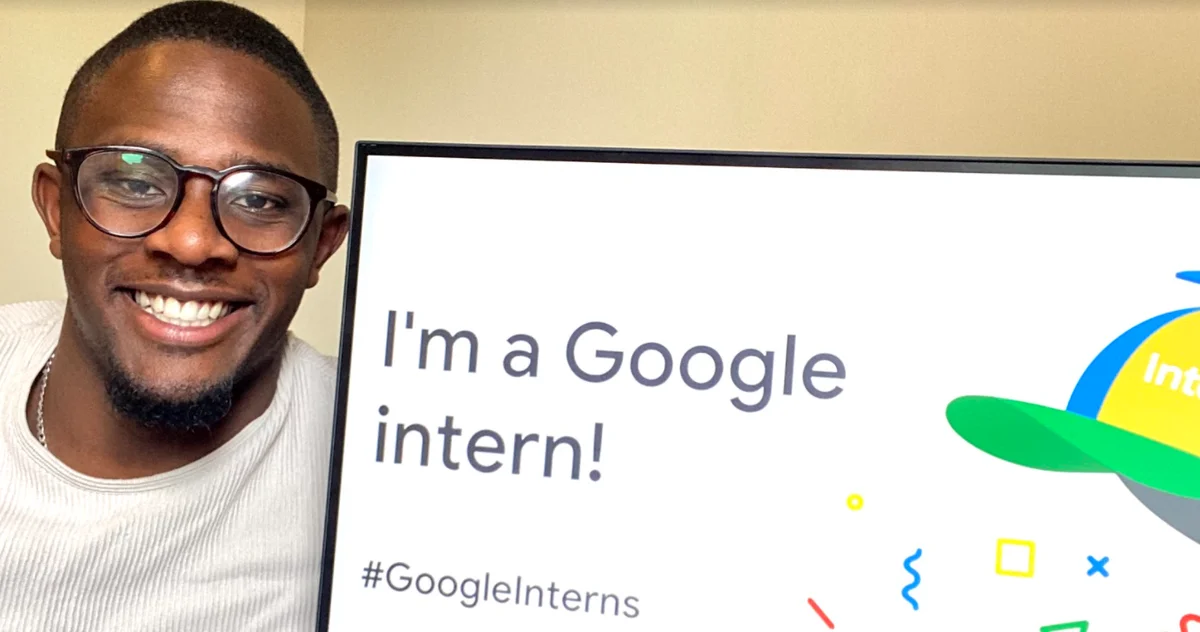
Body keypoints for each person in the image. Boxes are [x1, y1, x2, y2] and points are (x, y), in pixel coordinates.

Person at [0, 1, 350, 630]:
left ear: (320, 244)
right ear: (57, 210)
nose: (191, 243)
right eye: (135, 182)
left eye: (260, 198)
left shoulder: (383, 454)